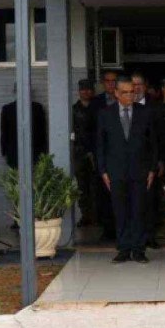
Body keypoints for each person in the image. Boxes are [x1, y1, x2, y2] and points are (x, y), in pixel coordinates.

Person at [96, 76, 157, 264]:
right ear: (116, 93)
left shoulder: (145, 112)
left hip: (140, 170)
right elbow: (100, 144)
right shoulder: (105, 114)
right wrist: (103, 170)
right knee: (120, 211)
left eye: (132, 92)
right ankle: (123, 248)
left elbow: (153, 143)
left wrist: (152, 169)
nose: (130, 95)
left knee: (138, 210)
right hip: (115, 171)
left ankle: (139, 249)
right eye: (125, 92)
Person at [71, 79, 98, 227]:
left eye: (88, 89)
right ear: (79, 91)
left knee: (96, 186)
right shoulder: (74, 109)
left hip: (95, 151)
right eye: (83, 89)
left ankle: (96, 216)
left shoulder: (98, 107)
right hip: (80, 152)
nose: (86, 92)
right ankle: (86, 216)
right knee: (82, 186)